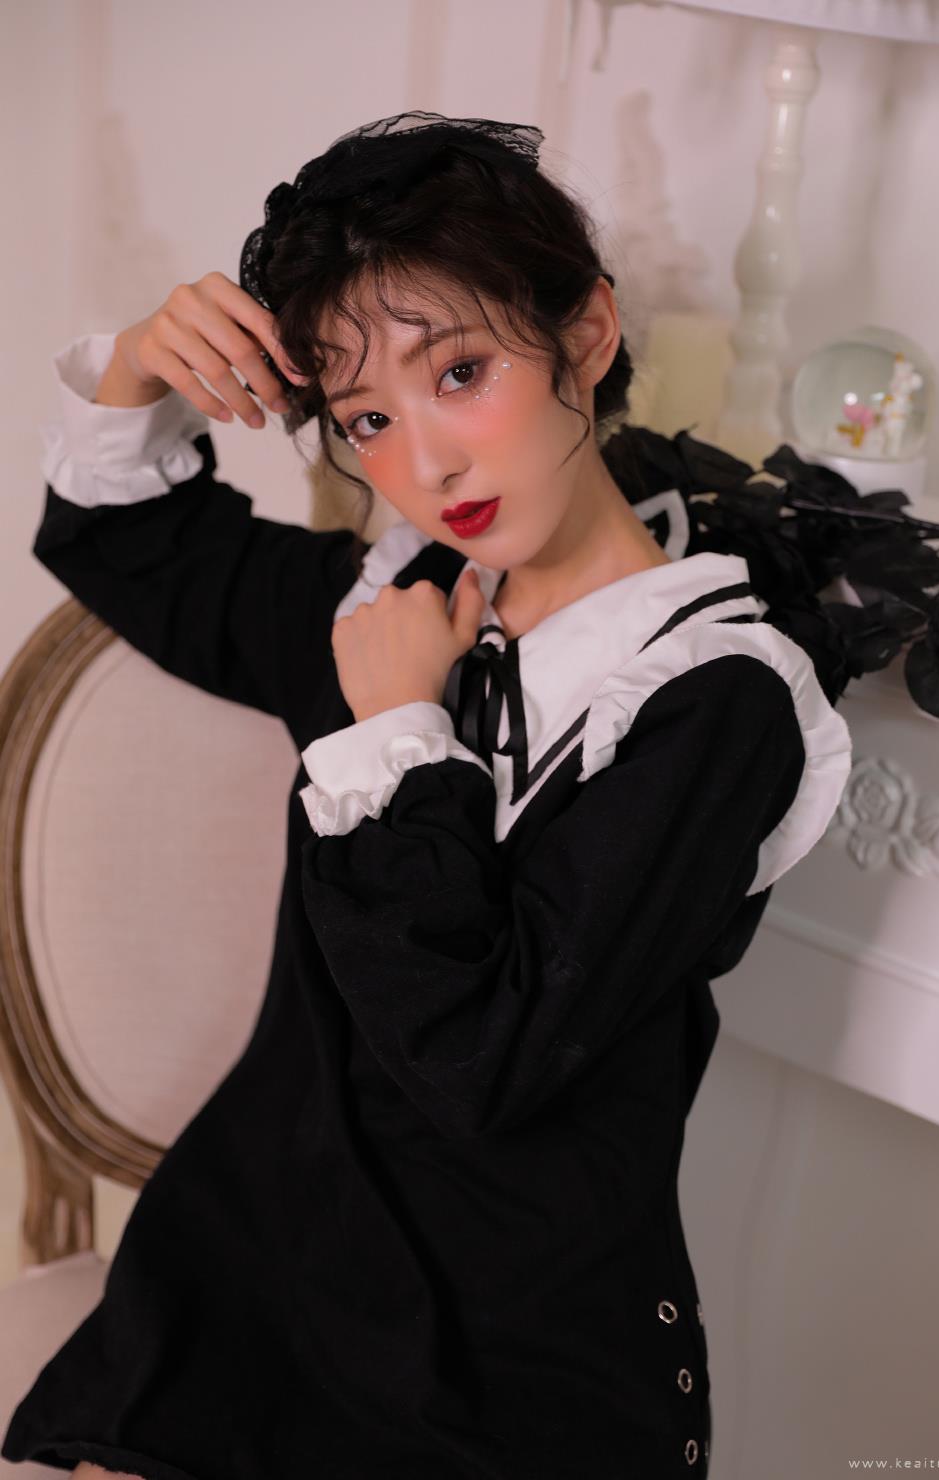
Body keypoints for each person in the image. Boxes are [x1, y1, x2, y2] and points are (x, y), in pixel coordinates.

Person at [1, 112, 852, 1479]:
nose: (428, 463)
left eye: (461, 372)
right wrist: (144, 361)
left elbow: (484, 1061)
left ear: (586, 335)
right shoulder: (398, 601)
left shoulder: (714, 701)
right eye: (369, 420)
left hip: (512, 1374)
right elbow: (127, 542)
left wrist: (400, 727)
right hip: (253, 1291)